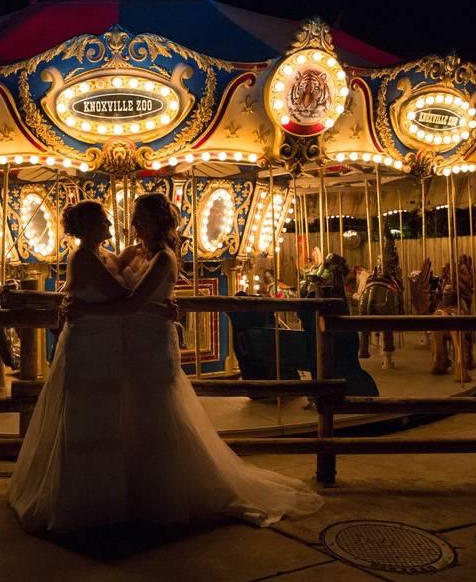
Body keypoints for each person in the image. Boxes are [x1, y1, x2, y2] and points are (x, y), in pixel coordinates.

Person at [69, 192, 323, 528]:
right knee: (132, 416)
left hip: (152, 342)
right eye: (135, 218)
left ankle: (165, 493)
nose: (134, 224)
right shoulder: (133, 252)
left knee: (157, 413)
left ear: (157, 222)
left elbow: (132, 301)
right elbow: (104, 268)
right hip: (128, 344)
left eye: (141, 218)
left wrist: (95, 308)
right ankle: (134, 490)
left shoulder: (164, 259)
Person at [7, 200, 176, 532]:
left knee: (109, 419)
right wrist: (157, 310)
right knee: (87, 417)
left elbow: (130, 289)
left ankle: (108, 495)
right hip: (90, 344)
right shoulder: (86, 256)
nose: (117, 226)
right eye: (105, 222)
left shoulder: (108, 254)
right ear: (88, 227)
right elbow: (123, 298)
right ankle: (82, 499)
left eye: (137, 218)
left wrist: (158, 308)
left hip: (112, 346)